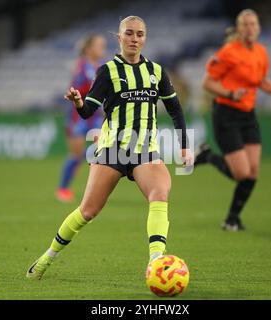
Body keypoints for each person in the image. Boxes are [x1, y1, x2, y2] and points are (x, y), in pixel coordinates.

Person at [27, 16, 192, 279]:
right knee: (88, 211)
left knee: (160, 194)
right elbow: (88, 111)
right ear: (120, 38)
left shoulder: (157, 71)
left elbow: (175, 110)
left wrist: (184, 146)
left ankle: (156, 263)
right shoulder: (107, 71)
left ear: (144, 38)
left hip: (145, 151)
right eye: (129, 33)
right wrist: (79, 103)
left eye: (139, 34)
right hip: (112, 149)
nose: (134, 39)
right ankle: (47, 257)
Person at [195, 9, 271, 231]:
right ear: (239, 29)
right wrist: (230, 93)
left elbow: (260, 80)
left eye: (253, 24)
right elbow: (208, 83)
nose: (249, 28)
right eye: (245, 24)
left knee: (253, 172)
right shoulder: (228, 52)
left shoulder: (261, 52)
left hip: (248, 115)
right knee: (241, 173)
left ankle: (232, 219)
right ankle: (208, 156)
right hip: (226, 113)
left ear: (258, 28)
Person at [56, 34, 106, 202]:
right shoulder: (81, 66)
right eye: (99, 45)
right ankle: (62, 188)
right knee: (76, 155)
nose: (102, 49)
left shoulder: (100, 67)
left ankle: (94, 192)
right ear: (89, 48)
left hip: (96, 117)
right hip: (78, 117)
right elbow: (75, 89)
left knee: (100, 150)